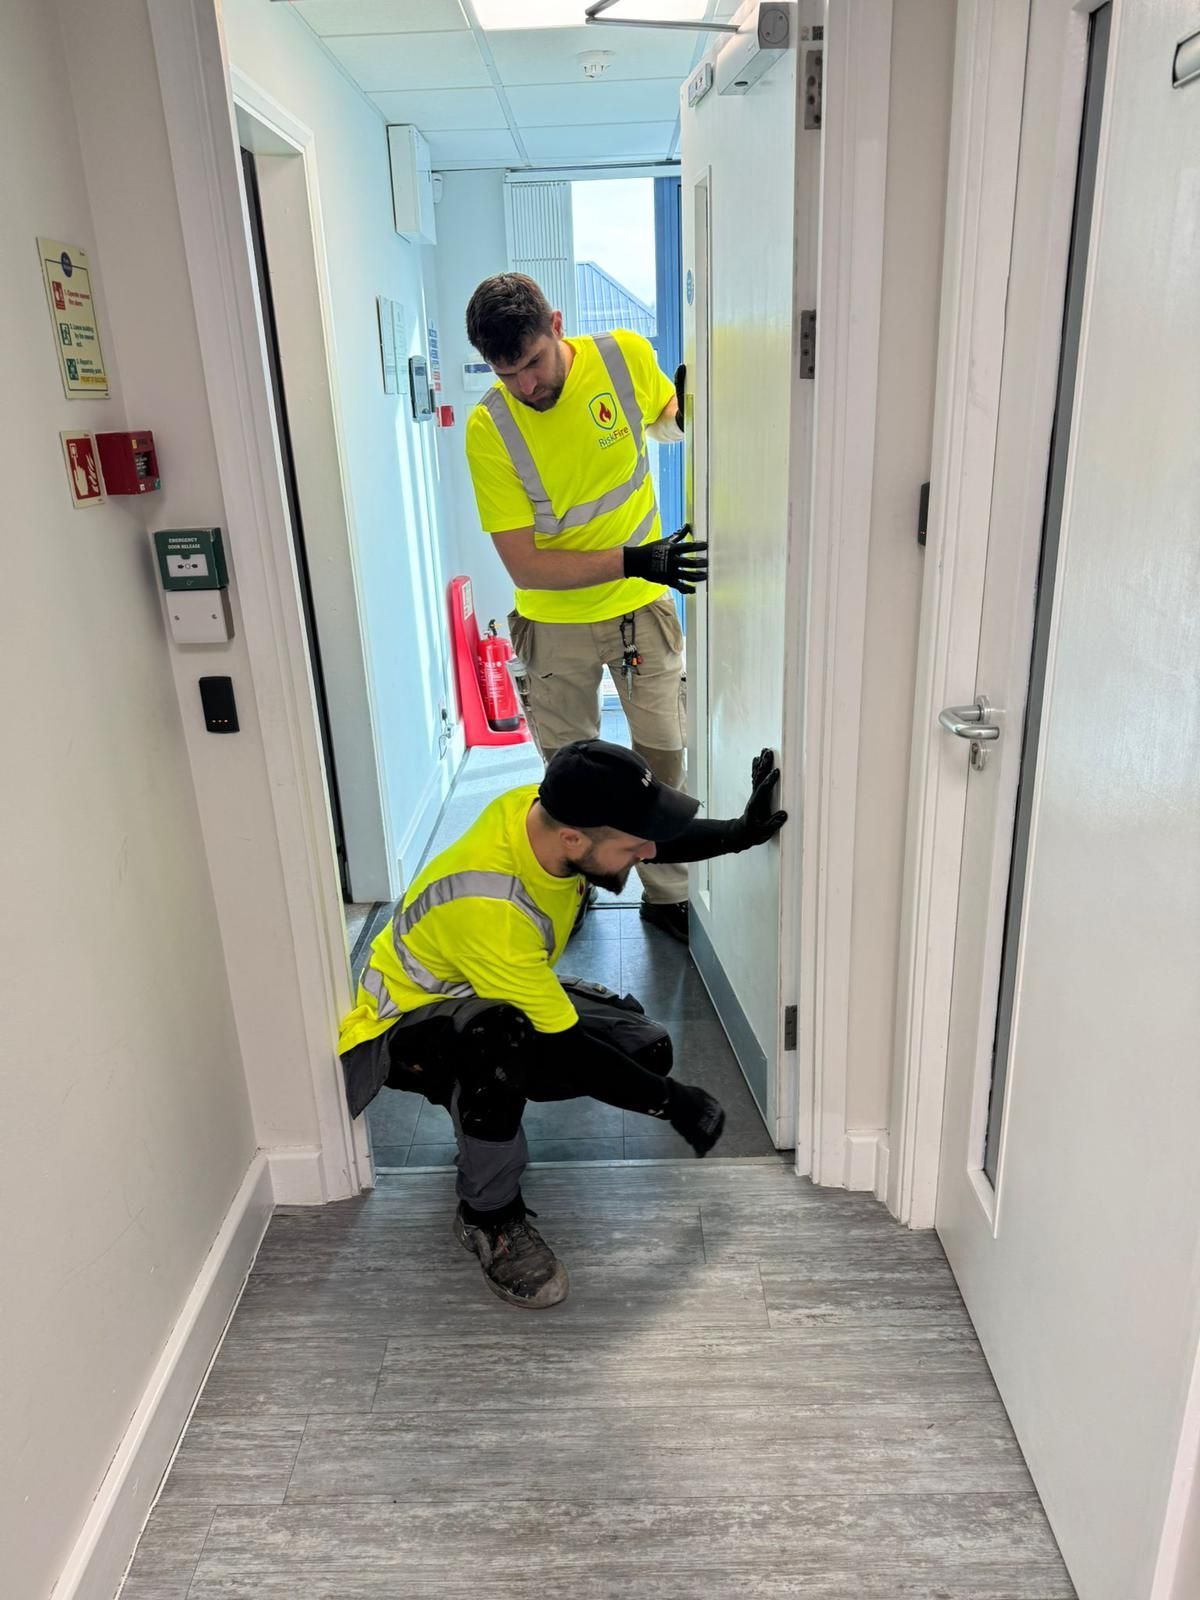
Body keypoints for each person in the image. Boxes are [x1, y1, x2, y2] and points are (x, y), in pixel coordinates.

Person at [339, 739, 786, 1310]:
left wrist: (736, 834)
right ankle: (489, 1216)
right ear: (574, 839)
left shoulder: (546, 811)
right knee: (506, 1041)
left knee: (643, 1051)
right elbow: (573, 1055)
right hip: (404, 1028)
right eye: (634, 844)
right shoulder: (492, 908)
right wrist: (674, 1104)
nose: (649, 851)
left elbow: (641, 838)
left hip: (484, 985)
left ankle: (519, 1039)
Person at [464, 272, 706, 946]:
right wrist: (637, 558)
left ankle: (668, 897)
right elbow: (526, 564)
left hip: (639, 615)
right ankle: (567, 895)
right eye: (506, 372)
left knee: (664, 759)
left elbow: (664, 424)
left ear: (558, 325)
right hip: (552, 623)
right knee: (567, 776)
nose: (526, 386)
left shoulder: (624, 356)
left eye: (533, 363)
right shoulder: (491, 427)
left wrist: (687, 411)